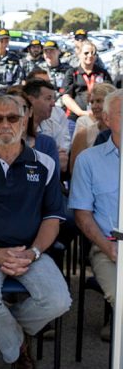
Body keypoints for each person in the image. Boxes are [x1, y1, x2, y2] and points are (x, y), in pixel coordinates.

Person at [0, 94, 70, 369]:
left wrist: (33, 252)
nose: (5, 124)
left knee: (58, 301)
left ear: (25, 119)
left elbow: (52, 218)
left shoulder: (45, 164)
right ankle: (16, 345)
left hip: (30, 251)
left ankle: (0, 332)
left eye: (12, 117)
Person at [69, 89, 123, 341]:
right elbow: (82, 215)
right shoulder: (88, 161)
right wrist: (109, 249)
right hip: (109, 246)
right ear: (108, 119)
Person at [62, 40, 112, 123]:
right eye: (86, 53)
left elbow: (110, 94)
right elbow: (66, 97)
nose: (90, 55)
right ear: (79, 54)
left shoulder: (102, 73)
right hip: (75, 118)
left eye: (93, 53)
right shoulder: (72, 73)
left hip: (99, 118)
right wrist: (81, 113)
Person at [70, 82, 115, 173]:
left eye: (98, 101)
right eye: (92, 102)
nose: (94, 106)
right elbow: (75, 170)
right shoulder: (83, 135)